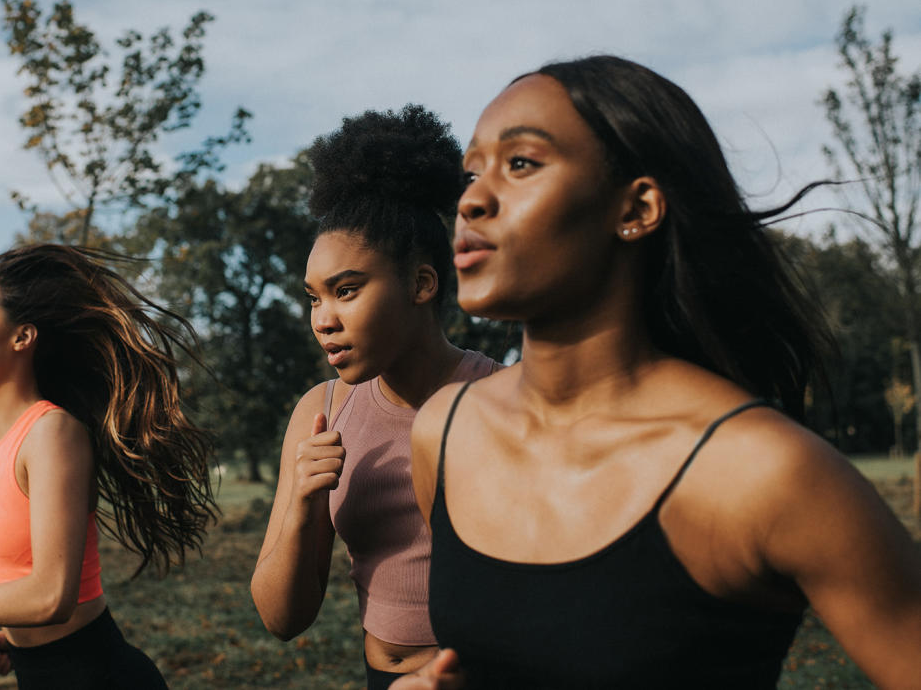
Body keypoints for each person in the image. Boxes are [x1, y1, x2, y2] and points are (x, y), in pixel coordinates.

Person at [397, 55, 921, 689]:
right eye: (471, 171)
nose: (473, 199)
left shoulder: (764, 472)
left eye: (522, 164)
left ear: (637, 206)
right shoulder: (445, 434)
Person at [0, 244, 217, 689]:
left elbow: (51, 596)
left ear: (22, 337)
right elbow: (26, 579)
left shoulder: (52, 432)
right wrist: (16, 634)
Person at [250, 105, 500, 689]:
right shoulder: (323, 412)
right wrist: (303, 506)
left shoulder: (503, 398)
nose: (324, 320)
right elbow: (281, 619)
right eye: (314, 297)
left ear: (421, 283)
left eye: (346, 290)